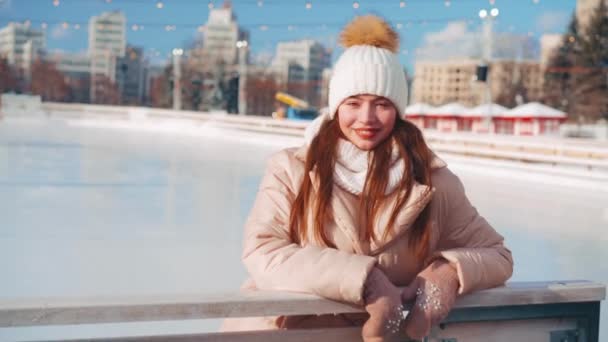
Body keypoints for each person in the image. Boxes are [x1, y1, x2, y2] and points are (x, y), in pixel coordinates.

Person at [222, 15, 513, 341]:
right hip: (292, 334)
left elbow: (497, 255)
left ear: (399, 110)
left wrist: (446, 274)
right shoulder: (292, 169)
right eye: (354, 103)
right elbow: (263, 251)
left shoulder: (433, 181)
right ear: (335, 107)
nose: (367, 118)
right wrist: (368, 282)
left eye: (381, 104)